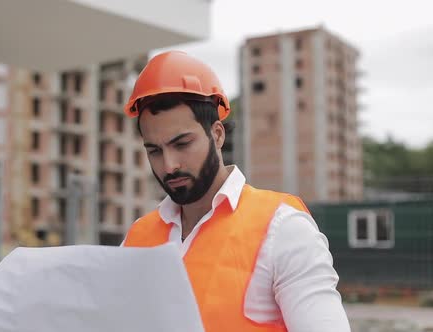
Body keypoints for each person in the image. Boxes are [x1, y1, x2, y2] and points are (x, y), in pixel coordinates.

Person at [121, 51, 350, 332]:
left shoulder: (283, 229)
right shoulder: (137, 237)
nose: (169, 166)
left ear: (217, 134)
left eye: (182, 144)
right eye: (154, 151)